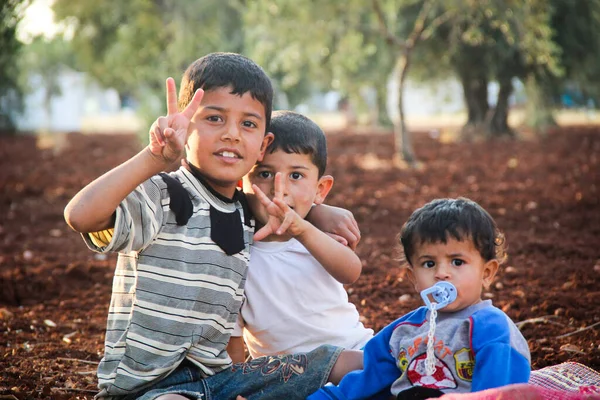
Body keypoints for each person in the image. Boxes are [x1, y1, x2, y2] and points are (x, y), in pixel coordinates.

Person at [64, 52, 359, 400]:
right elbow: (81, 216)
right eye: (214, 118)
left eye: (248, 124)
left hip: (221, 382)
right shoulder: (164, 195)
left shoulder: (246, 214)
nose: (232, 135)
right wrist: (153, 158)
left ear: (262, 146)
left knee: (347, 364)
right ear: (186, 128)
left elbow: (280, 209)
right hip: (149, 387)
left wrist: (319, 212)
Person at [308, 198, 531, 400]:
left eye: (457, 262)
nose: (442, 273)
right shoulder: (403, 331)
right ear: (413, 277)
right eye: (429, 264)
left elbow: (497, 392)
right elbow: (365, 379)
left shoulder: (491, 328)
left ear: (487, 273)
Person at [227, 111, 373, 367]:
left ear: (321, 190)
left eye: (295, 176)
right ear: (241, 182)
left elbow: (351, 272)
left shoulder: (315, 237)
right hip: (289, 377)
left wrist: (303, 229)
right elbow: (233, 344)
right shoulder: (233, 256)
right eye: (264, 174)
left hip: (354, 350)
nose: (278, 188)